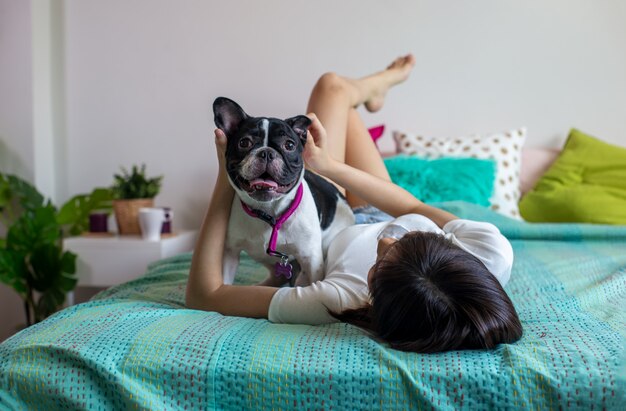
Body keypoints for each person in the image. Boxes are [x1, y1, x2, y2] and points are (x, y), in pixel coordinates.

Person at [186, 54, 523, 353]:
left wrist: (224, 173)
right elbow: (412, 208)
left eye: (381, 263)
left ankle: (371, 93)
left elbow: (206, 295)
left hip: (340, 219)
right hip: (386, 206)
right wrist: (328, 165)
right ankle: (380, 87)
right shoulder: (492, 253)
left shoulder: (338, 301)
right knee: (334, 91)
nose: (386, 240)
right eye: (410, 241)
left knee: (331, 86)